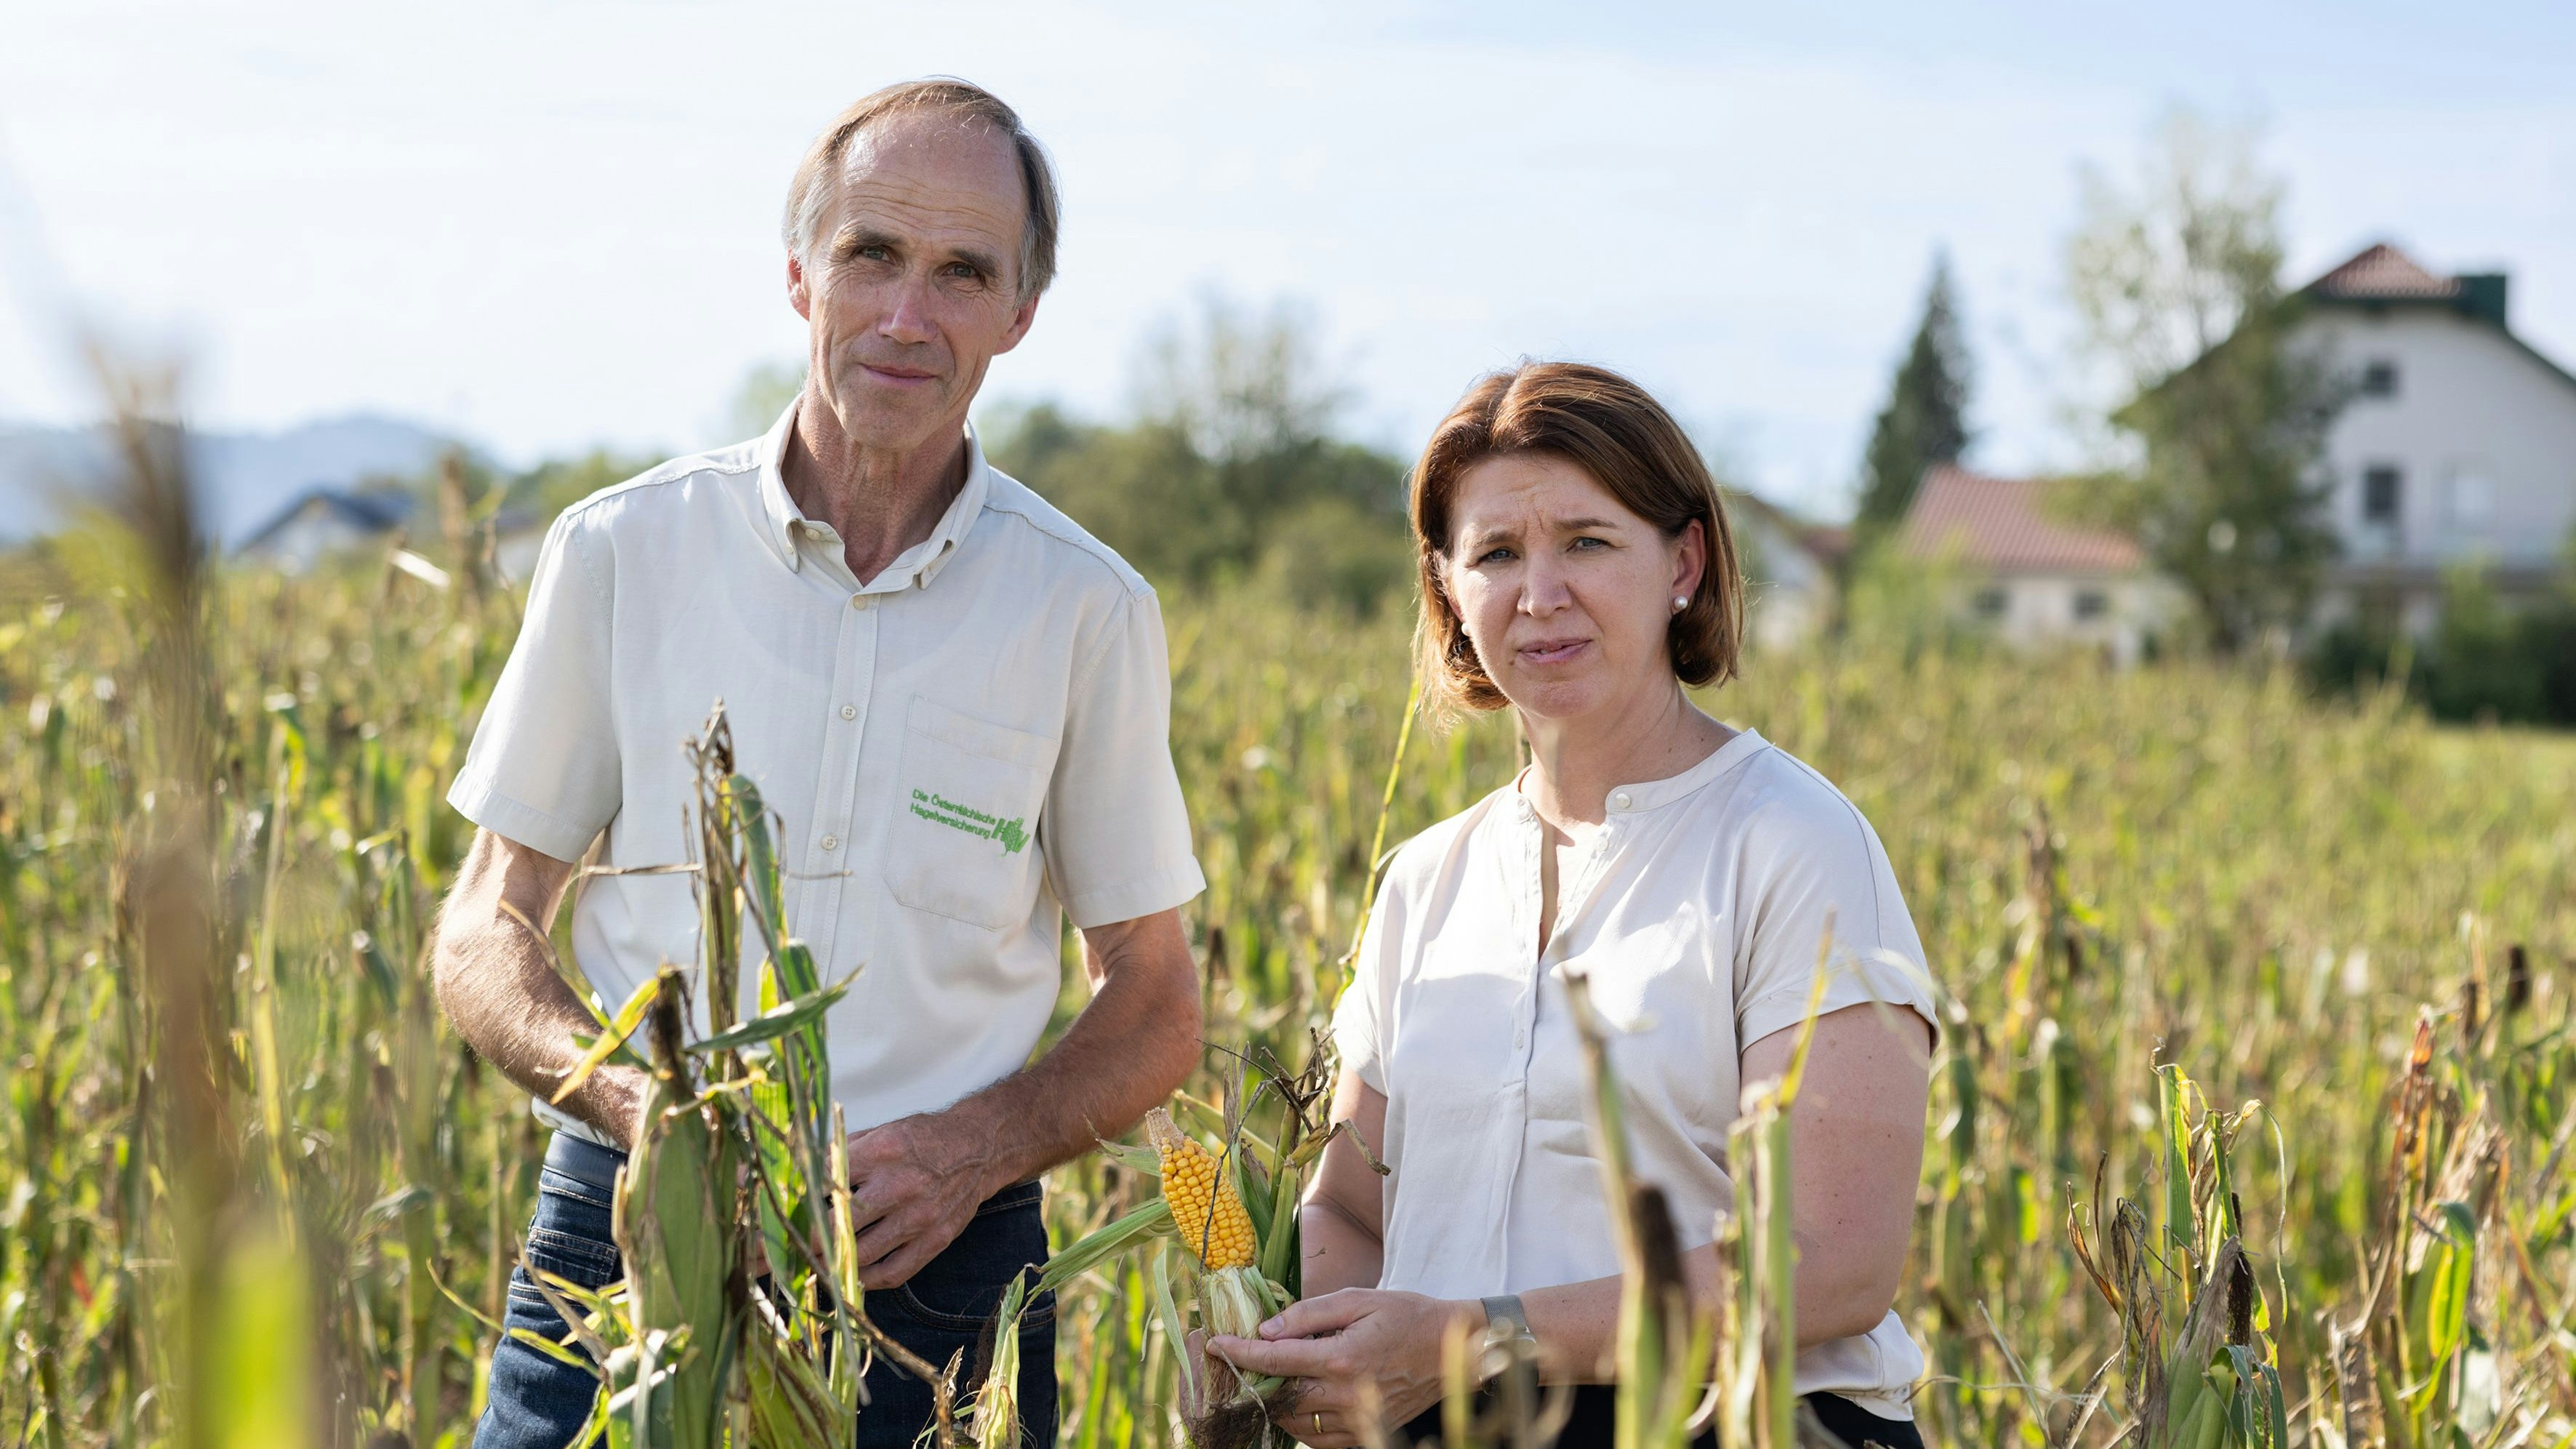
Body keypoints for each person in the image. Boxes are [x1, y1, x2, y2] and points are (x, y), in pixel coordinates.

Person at [432, 79, 1208, 1449]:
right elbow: (483, 930)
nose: (910, 315)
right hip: (623, 1223)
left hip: (945, 1259)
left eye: (964, 272)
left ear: (1020, 315)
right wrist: (641, 1113)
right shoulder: (622, 552)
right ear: (800, 275)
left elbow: (1153, 1000)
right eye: (873, 255)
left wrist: (973, 1152)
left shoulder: (1088, 609)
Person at [1208, 363, 1938, 1448]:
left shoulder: (1794, 843)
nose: (1539, 594)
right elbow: (1351, 1210)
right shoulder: (1425, 881)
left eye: (1587, 542)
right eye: (1496, 554)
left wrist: (1471, 1339)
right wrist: (1328, 1359)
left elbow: (1830, 1262)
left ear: (1683, 561)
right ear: (1448, 589)